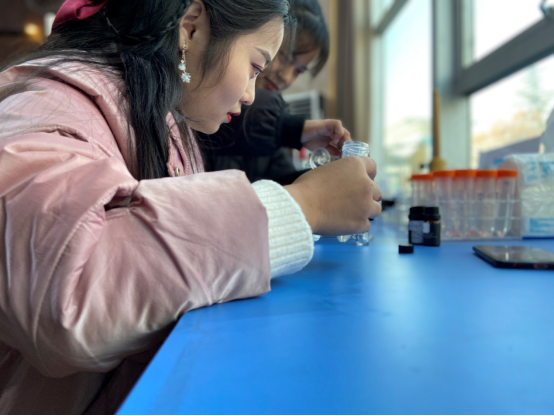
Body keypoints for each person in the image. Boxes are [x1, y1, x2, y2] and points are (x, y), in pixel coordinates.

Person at [0, 0, 382, 414]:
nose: (251, 94)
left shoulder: (160, 120)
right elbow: (64, 300)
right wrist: (302, 205)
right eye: (255, 66)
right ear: (192, 27)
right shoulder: (45, 108)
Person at [202, 0, 347, 185]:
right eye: (283, 55)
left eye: (298, 70)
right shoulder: (206, 105)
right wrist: (292, 128)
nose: (285, 77)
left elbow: (282, 183)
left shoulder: (275, 132)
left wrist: (326, 180)